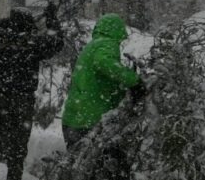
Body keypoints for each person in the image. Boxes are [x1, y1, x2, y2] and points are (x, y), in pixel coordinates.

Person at [0, 5, 64, 180]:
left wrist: (6, 24)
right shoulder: (34, 43)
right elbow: (57, 42)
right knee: (16, 150)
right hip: (22, 102)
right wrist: (52, 19)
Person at [61, 13, 145, 149]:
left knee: (78, 163)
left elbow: (103, 81)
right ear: (117, 31)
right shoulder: (107, 44)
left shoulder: (92, 46)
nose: (120, 42)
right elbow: (105, 63)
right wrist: (134, 81)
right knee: (102, 165)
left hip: (74, 119)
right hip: (90, 120)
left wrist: (123, 91)